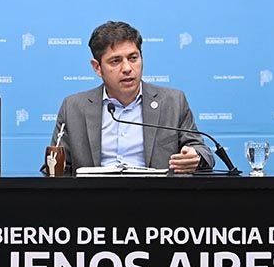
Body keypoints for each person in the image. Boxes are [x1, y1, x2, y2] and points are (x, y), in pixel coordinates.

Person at [48, 20, 214, 175]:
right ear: (97, 67)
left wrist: (195, 156)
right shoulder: (74, 107)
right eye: (115, 61)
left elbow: (202, 150)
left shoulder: (173, 102)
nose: (127, 68)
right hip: (95, 199)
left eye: (133, 58)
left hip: (157, 199)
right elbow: (56, 169)